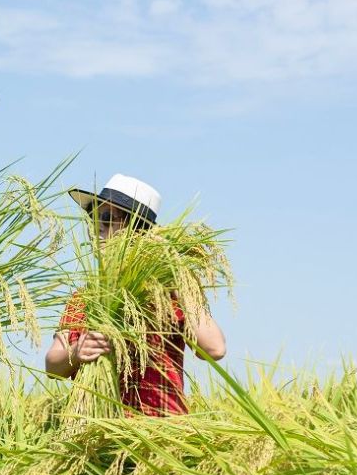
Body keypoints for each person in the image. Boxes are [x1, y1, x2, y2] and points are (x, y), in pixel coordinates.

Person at [44, 173, 226, 416]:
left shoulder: (167, 294)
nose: (98, 227)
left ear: (137, 232)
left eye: (109, 219)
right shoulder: (84, 298)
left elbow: (214, 349)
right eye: (94, 217)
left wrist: (177, 279)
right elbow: (52, 364)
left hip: (160, 433)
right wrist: (76, 352)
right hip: (98, 434)